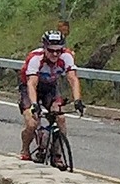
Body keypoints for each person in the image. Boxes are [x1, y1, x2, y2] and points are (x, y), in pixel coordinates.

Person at [20, 29, 83, 162]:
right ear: (44, 48)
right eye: (51, 50)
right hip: (30, 88)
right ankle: (25, 149)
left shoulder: (66, 56)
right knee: (32, 123)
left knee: (60, 118)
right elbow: (32, 84)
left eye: (58, 50)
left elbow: (73, 79)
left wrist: (78, 100)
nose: (55, 54)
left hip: (50, 88)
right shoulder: (35, 58)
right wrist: (34, 105)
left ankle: (57, 155)